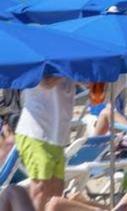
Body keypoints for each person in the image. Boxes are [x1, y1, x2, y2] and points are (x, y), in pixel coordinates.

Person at [15, 76, 75, 211]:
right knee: (40, 189)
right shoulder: (42, 58)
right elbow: (46, 82)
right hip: (35, 130)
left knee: (56, 191)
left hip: (58, 134)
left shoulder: (68, 59)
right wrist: (71, 71)